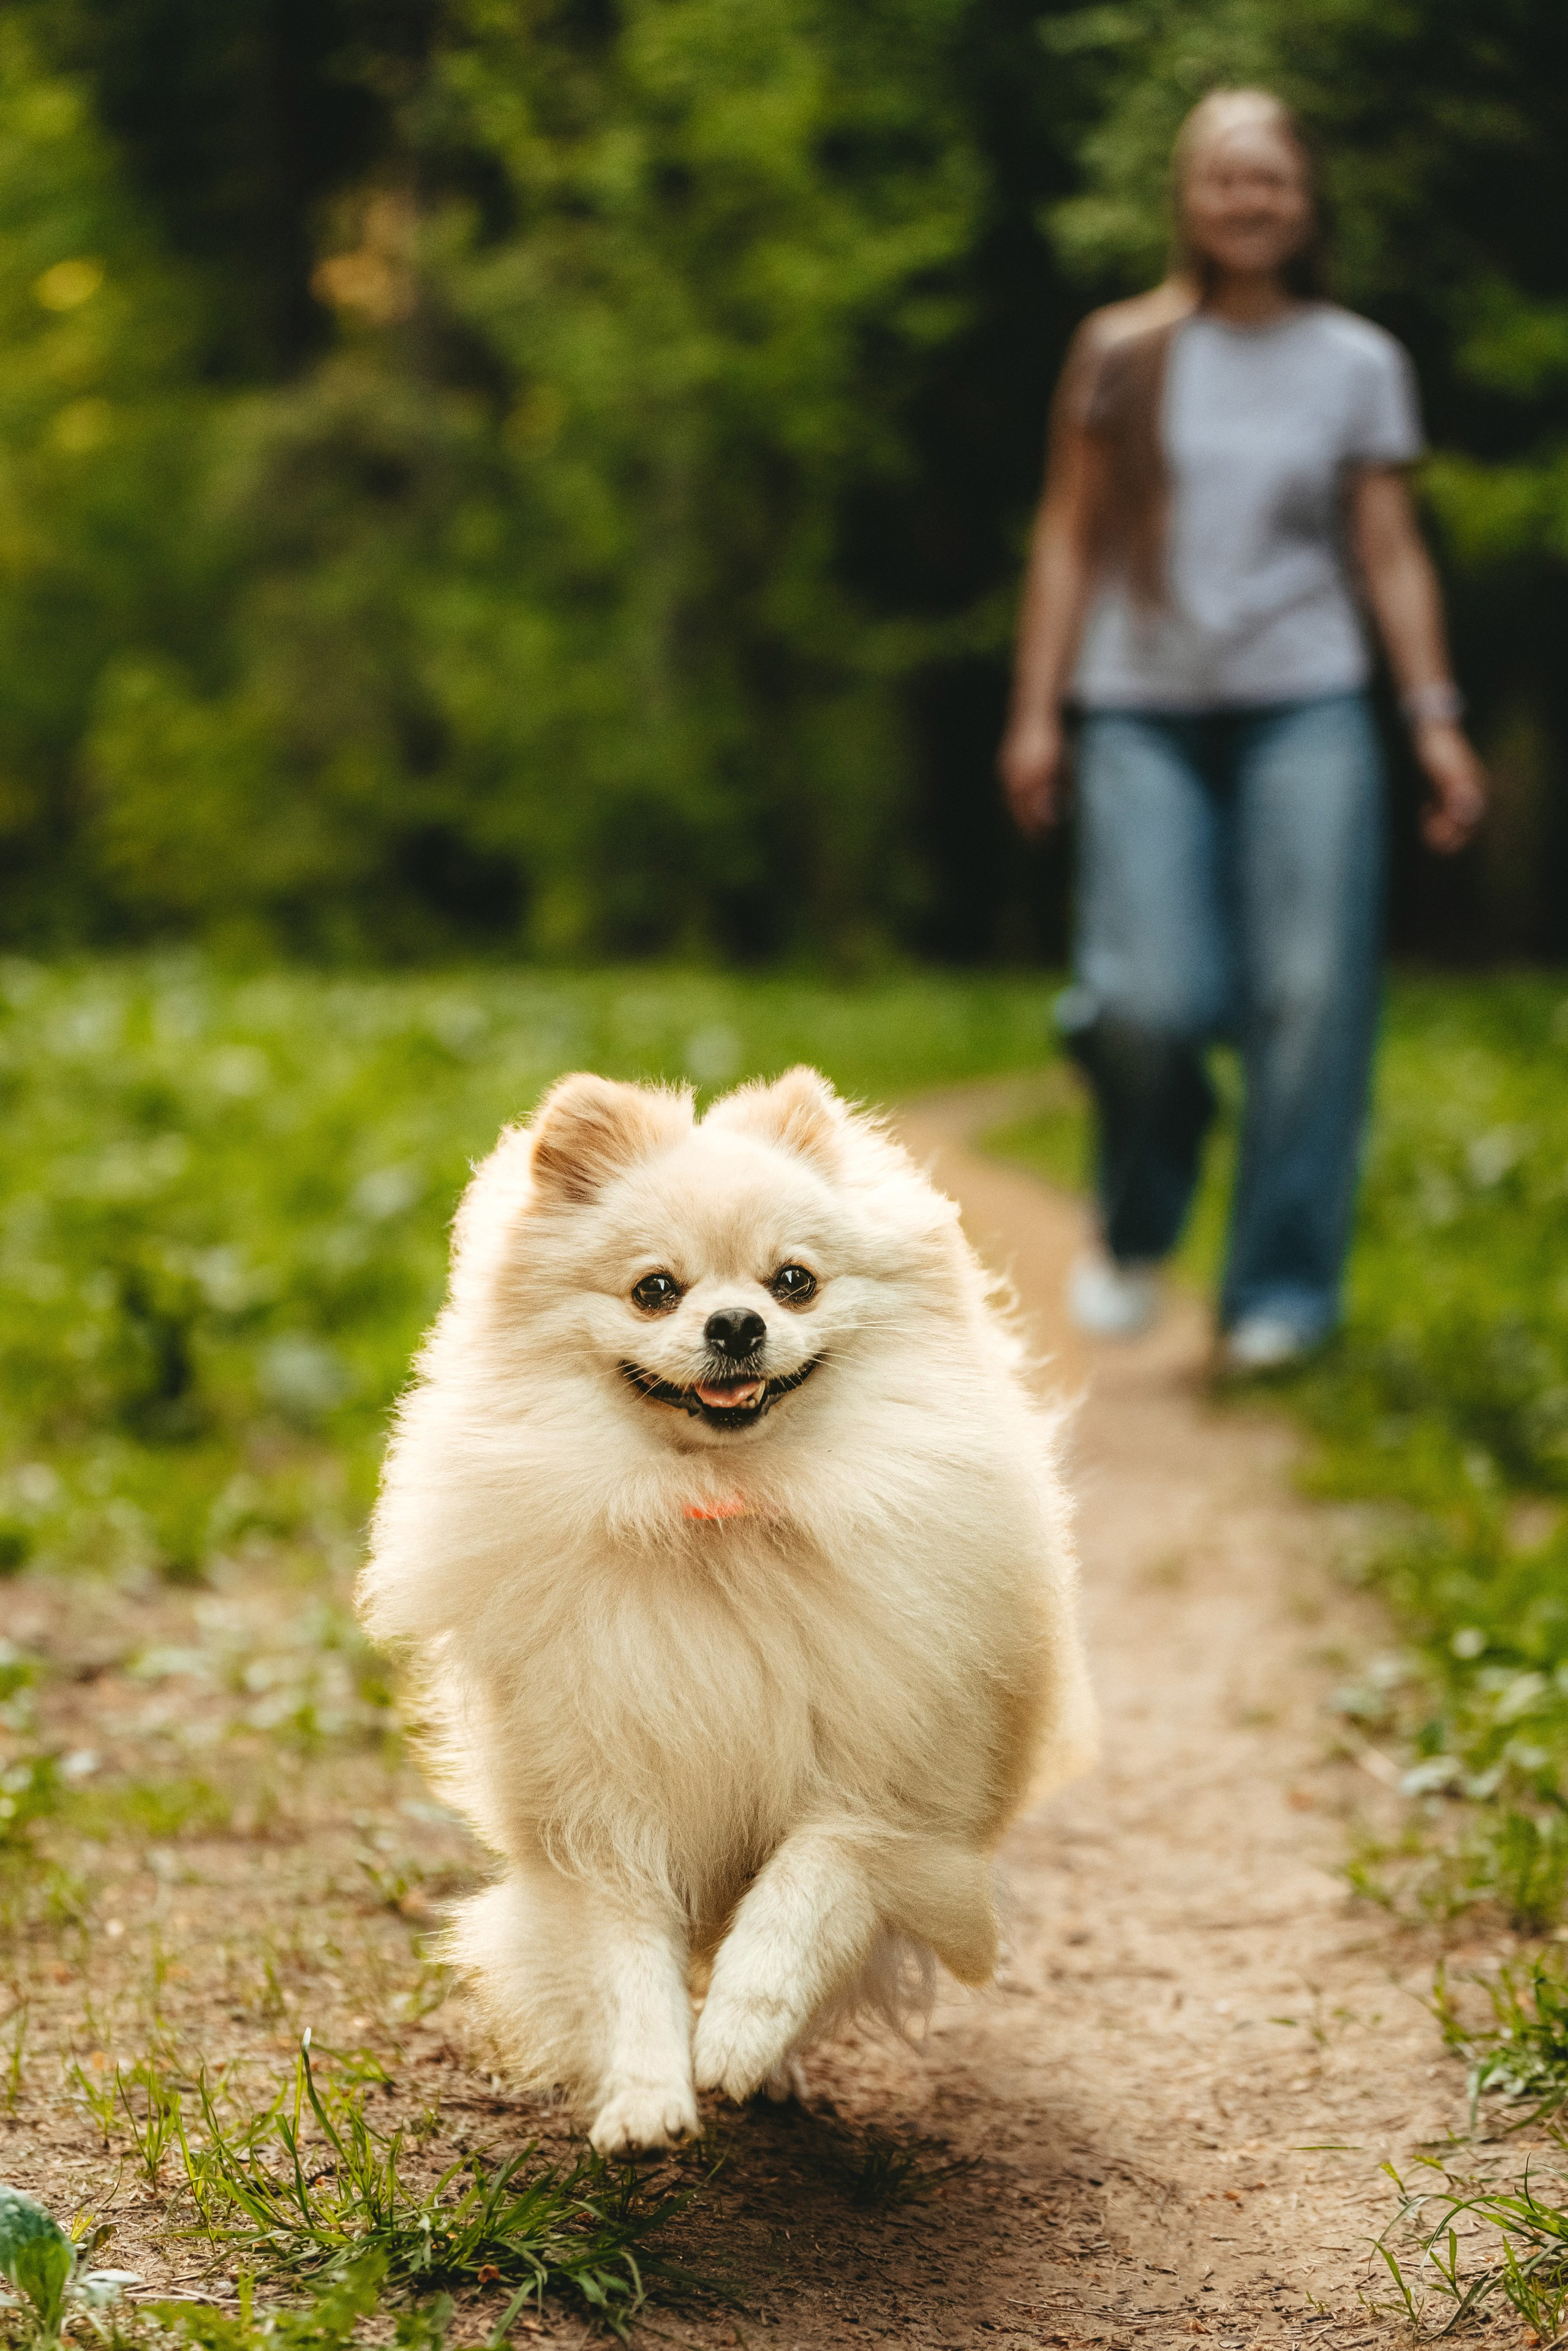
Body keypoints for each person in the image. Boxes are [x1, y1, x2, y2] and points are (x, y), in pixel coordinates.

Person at [999, 87, 1487, 1371]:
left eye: (1267, 177)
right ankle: (1137, 1216)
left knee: (1310, 996)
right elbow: (1068, 536)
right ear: (1185, 197)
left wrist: (1431, 718)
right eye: (1221, 177)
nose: (1244, 198)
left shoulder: (1356, 362)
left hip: (1305, 706)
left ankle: (1280, 1294)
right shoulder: (1119, 348)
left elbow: (1387, 553)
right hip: (1135, 710)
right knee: (1150, 1003)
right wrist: (1035, 709)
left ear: (1305, 197)